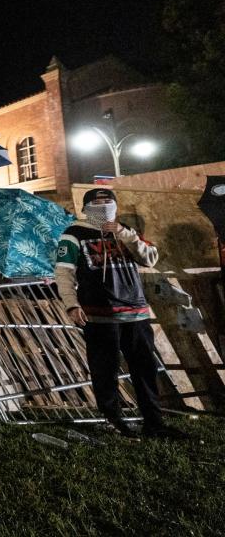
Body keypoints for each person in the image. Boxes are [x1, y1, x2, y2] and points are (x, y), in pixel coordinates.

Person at [54, 188, 186, 440]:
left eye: (108, 202)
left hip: (136, 313)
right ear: (86, 208)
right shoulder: (73, 235)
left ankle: (154, 423)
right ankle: (113, 420)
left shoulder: (125, 231)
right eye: (97, 203)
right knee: (105, 370)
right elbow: (64, 272)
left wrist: (126, 235)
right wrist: (71, 304)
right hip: (99, 314)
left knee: (145, 369)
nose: (103, 206)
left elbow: (149, 259)